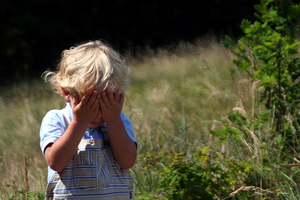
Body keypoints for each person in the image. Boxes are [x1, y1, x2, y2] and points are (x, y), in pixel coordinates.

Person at [39, 40, 137, 200]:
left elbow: (127, 161)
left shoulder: (118, 120)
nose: (96, 114)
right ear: (66, 93)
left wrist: (113, 121)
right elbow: (55, 162)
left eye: (104, 103)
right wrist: (79, 122)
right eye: (88, 103)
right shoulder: (57, 119)